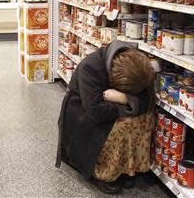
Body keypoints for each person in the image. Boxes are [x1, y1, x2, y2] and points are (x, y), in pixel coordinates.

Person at [55, 40, 156, 194]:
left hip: (109, 105)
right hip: (82, 112)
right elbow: (96, 112)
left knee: (145, 118)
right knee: (123, 124)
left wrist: (124, 98)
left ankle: (126, 169)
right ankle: (104, 172)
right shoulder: (90, 68)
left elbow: (149, 101)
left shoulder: (139, 67)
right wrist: (130, 105)